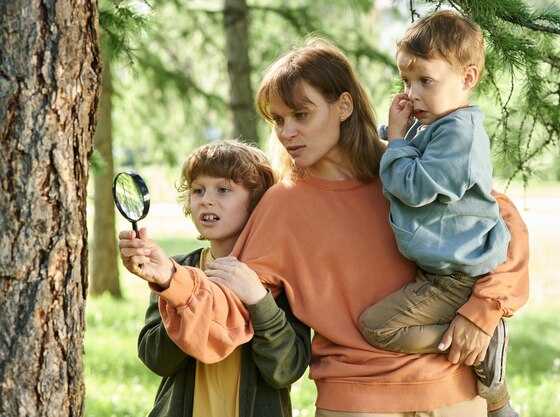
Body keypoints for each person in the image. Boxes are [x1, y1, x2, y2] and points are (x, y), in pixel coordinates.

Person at [120, 39, 528, 417]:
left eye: (302, 114)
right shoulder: (282, 206)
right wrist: (171, 279)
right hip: (354, 404)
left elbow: (504, 229)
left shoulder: (404, 169)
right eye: (278, 120)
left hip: (456, 393)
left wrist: (483, 312)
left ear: (343, 106)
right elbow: (228, 311)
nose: (287, 133)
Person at [358, 11, 518, 417]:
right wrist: (387, 137)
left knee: (379, 327)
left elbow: (413, 186)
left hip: (455, 278)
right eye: (406, 81)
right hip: (441, 271)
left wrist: (396, 140)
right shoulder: (436, 124)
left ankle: (482, 342)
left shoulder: (460, 135)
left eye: (425, 81)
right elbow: (402, 151)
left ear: (467, 78)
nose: (411, 94)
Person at [127, 140, 311, 417]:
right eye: (198, 190)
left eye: (223, 190)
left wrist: (259, 301)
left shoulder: (280, 277)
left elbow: (285, 370)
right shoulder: (176, 269)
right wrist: (176, 291)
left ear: (258, 202)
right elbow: (157, 360)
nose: (206, 200)